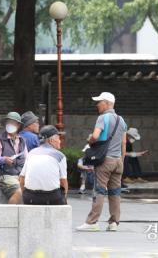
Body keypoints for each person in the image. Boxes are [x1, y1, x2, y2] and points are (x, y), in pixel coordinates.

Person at [76, 92, 127, 232]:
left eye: (99, 102)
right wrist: (121, 160)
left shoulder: (102, 118)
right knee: (115, 192)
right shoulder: (122, 120)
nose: (97, 104)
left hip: (105, 161)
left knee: (99, 190)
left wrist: (90, 141)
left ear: (107, 103)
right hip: (118, 161)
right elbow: (124, 143)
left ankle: (92, 222)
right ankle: (114, 222)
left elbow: (96, 136)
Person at [20, 125, 68, 205]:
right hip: (52, 198)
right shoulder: (60, 156)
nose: (60, 141)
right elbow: (63, 182)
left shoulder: (31, 153)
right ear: (52, 140)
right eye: (58, 138)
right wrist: (65, 198)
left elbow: (21, 179)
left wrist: (24, 195)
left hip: (30, 198)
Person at [0, 112, 28, 204]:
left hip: (21, 174)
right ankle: (9, 216)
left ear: (18, 125)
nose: (10, 124)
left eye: (12, 122)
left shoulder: (22, 140)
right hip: (6, 175)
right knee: (19, 191)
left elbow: (27, 158)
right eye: (8, 122)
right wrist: (4, 159)